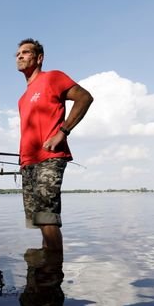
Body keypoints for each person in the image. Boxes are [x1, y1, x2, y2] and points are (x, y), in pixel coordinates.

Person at [16, 38, 93, 251]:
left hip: (49, 158)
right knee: (40, 220)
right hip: (28, 163)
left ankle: (53, 269)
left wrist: (63, 132)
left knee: (48, 217)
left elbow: (85, 98)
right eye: (18, 54)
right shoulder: (22, 98)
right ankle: (46, 263)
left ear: (39, 58)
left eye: (25, 52)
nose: (20, 56)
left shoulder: (52, 77)